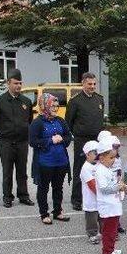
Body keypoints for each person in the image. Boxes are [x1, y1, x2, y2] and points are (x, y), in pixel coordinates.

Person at [0, 68, 34, 208]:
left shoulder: (26, 101)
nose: (18, 86)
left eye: (20, 83)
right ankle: (7, 197)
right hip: (6, 142)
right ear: (8, 83)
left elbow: (29, 120)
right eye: (15, 83)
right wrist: (3, 132)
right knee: (7, 171)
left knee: (22, 170)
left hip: (22, 142)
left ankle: (23, 195)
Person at [29, 93, 72, 225]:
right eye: (52, 105)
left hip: (61, 161)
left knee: (58, 187)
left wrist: (62, 139)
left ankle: (58, 211)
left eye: (56, 106)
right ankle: (44, 213)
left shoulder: (60, 121)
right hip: (45, 162)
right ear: (45, 106)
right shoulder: (37, 123)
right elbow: (33, 141)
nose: (55, 108)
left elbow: (68, 137)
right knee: (43, 188)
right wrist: (50, 140)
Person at [65, 72, 105, 211]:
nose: (92, 86)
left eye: (94, 84)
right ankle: (77, 199)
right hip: (82, 141)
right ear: (83, 83)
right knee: (80, 168)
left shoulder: (99, 99)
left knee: (98, 168)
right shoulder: (75, 101)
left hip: (97, 140)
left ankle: (97, 194)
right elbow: (68, 122)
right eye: (89, 84)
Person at [95, 139, 127, 254]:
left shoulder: (107, 168)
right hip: (108, 206)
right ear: (102, 158)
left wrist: (121, 185)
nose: (113, 160)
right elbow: (104, 188)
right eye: (110, 157)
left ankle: (111, 248)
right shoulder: (100, 170)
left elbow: (113, 183)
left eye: (114, 157)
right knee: (109, 231)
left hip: (113, 204)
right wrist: (117, 187)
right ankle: (107, 253)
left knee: (112, 230)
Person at [80, 140, 101, 244]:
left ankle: (104, 233)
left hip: (101, 198)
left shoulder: (99, 165)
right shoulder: (86, 168)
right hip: (91, 199)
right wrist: (103, 193)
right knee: (91, 218)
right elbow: (92, 185)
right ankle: (92, 234)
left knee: (102, 217)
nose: (98, 155)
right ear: (88, 154)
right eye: (95, 153)